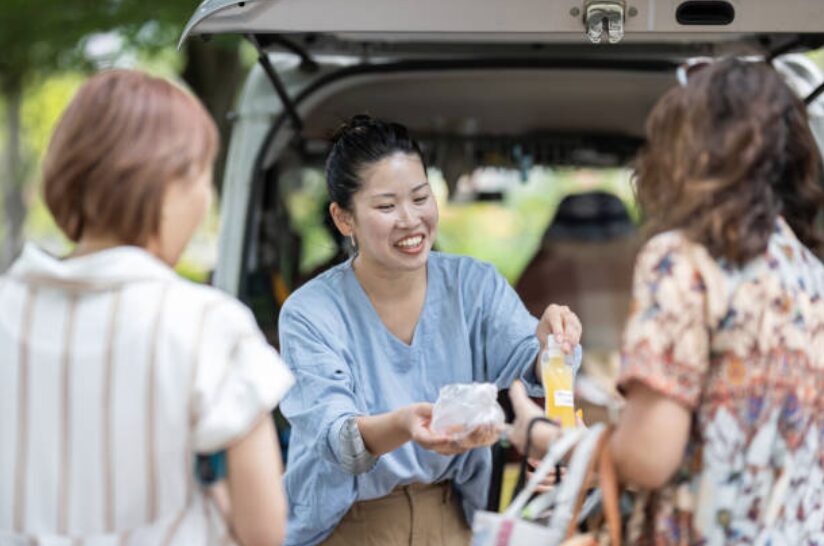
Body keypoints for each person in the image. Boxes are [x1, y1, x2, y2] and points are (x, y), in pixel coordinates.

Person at [507, 58, 824, 544]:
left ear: (689, 151)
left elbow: (648, 458)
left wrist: (542, 438)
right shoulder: (806, 271)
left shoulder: (682, 261)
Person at [0, 70, 294, 546]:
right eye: (202, 176)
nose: (206, 199)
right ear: (167, 182)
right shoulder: (207, 324)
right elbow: (263, 531)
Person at [277, 115, 583, 546]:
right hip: (349, 527)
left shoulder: (474, 286)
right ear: (344, 219)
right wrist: (404, 425)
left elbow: (529, 365)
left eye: (421, 198)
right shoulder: (309, 312)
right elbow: (336, 438)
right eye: (386, 207)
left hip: (452, 518)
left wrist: (550, 342)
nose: (410, 220)